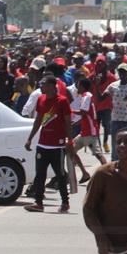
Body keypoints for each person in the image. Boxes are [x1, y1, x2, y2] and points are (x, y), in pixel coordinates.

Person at [23, 75, 74, 213]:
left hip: (57, 146)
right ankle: (38, 203)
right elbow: (38, 120)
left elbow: (68, 122)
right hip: (43, 145)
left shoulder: (62, 101)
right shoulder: (41, 99)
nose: (40, 85)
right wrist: (30, 138)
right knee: (40, 175)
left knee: (60, 175)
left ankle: (65, 202)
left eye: (43, 83)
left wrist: (70, 140)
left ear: (52, 86)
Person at [95, 63, 127, 161]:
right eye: (121, 71)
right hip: (116, 120)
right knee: (116, 147)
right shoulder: (113, 86)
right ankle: (115, 166)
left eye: (124, 72)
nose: (122, 74)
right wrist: (96, 85)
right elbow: (100, 99)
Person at [72, 78, 108, 182]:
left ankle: (108, 175)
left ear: (82, 86)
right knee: (70, 149)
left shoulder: (86, 96)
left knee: (98, 154)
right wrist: (76, 123)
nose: (77, 88)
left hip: (90, 133)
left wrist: (70, 111)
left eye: (78, 85)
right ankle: (84, 173)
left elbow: (83, 112)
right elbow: (87, 115)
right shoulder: (86, 97)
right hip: (84, 133)